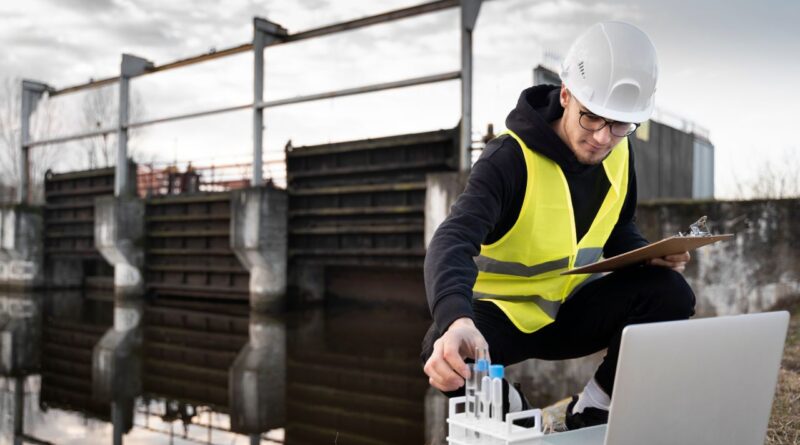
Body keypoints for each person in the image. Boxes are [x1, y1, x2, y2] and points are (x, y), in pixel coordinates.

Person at [421, 21, 696, 430]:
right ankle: (522, 418)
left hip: (571, 312)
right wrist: (458, 320)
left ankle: (593, 411)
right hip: (505, 318)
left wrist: (646, 258)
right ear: (566, 95)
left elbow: (618, 227)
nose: (603, 138)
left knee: (670, 293)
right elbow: (453, 238)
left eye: (620, 125)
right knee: (443, 349)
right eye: (591, 118)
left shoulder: (620, 152)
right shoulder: (508, 161)